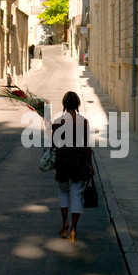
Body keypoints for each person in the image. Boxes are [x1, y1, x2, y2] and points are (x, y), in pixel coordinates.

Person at [52, 91, 94, 243]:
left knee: (63, 192)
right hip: (79, 162)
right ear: (77, 104)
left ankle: (64, 222)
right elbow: (87, 147)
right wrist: (91, 165)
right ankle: (74, 230)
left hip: (63, 162)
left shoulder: (58, 122)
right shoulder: (83, 122)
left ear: (64, 104)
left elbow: (54, 144)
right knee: (76, 195)